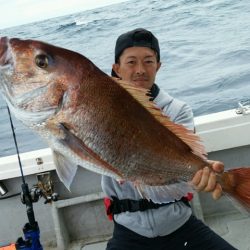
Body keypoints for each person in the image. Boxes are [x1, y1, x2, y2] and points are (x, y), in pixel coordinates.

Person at [102, 28, 236, 250]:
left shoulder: (178, 109)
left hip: (179, 224)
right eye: (131, 62)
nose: (140, 70)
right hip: (129, 231)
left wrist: (201, 171)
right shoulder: (102, 109)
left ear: (158, 66)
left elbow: (183, 158)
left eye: (148, 61)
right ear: (116, 68)